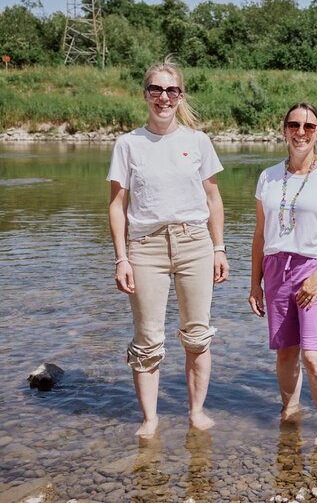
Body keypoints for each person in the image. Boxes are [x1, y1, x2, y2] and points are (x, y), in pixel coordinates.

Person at [107, 59, 228, 438]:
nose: (163, 97)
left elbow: (213, 198)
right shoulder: (128, 144)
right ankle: (150, 420)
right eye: (156, 90)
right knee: (148, 338)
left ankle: (196, 412)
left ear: (180, 96)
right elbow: (117, 205)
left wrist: (220, 248)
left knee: (196, 334)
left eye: (171, 90)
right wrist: (121, 257)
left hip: (195, 242)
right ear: (146, 95)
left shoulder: (198, 141)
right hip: (145, 248)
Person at [249, 103, 317, 446]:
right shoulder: (268, 176)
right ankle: (290, 410)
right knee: (285, 351)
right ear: (284, 130)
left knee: (312, 353)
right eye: (294, 125)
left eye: (309, 127)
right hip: (276, 267)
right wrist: (255, 282)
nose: (301, 132)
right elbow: (260, 234)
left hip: (315, 266)